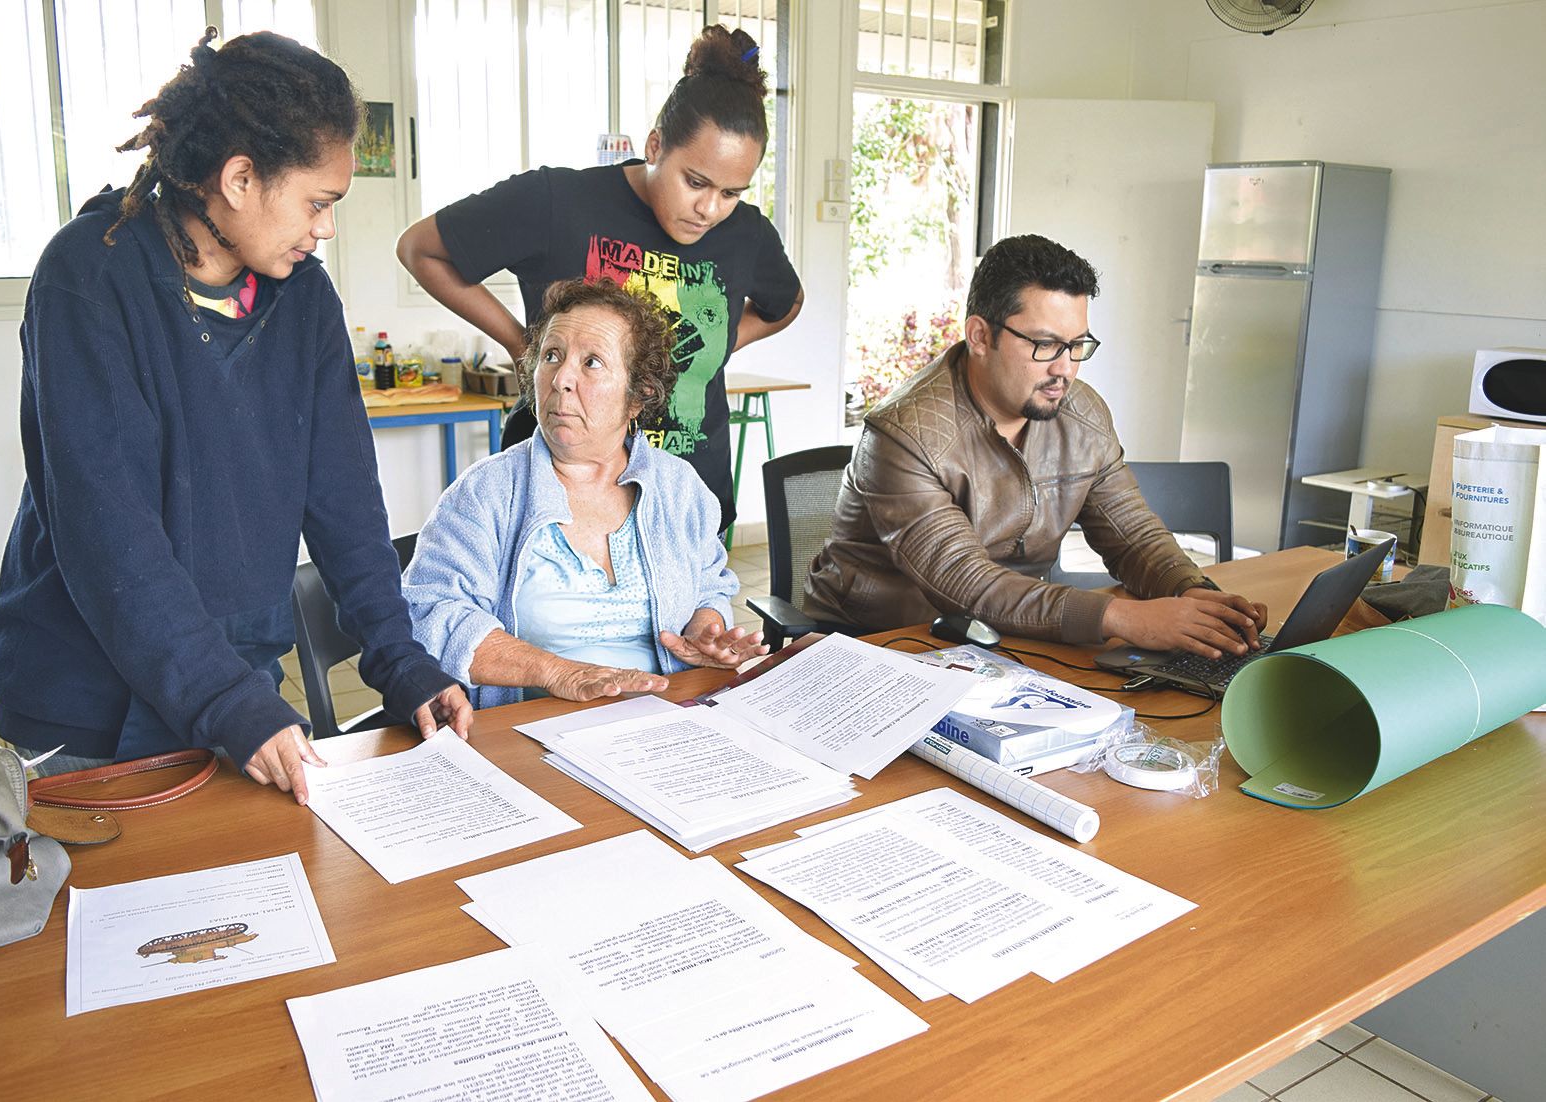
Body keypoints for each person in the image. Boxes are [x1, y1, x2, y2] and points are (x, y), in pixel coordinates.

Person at [0, 30, 472, 805]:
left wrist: (400, 659)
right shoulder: (90, 276)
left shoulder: (303, 298)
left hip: (231, 683)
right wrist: (228, 699)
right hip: (87, 708)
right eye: (317, 203)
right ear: (240, 178)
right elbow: (109, 534)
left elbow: (345, 504)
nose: (325, 229)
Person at [396, 24, 803, 533]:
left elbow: (786, 303)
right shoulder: (557, 202)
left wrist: (718, 343)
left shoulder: (746, 234)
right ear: (655, 145)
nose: (709, 209)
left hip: (689, 513)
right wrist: (525, 346)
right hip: (559, 512)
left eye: (731, 193)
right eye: (695, 182)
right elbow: (420, 250)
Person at [802, 234, 1269, 660]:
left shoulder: (1083, 415)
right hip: (880, 642)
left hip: (1004, 639)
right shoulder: (903, 435)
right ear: (980, 336)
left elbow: (1134, 537)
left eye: (1077, 345)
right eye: (1045, 345)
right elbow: (966, 582)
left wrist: (1192, 594)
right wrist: (1124, 618)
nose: (1065, 369)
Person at [403, 278, 765, 707]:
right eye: (551, 356)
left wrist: (705, 630)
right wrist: (558, 672)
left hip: (663, 716)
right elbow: (431, 612)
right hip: (526, 727)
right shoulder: (485, 494)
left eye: (592, 362)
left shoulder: (679, 487)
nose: (561, 379)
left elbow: (709, 585)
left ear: (638, 395)